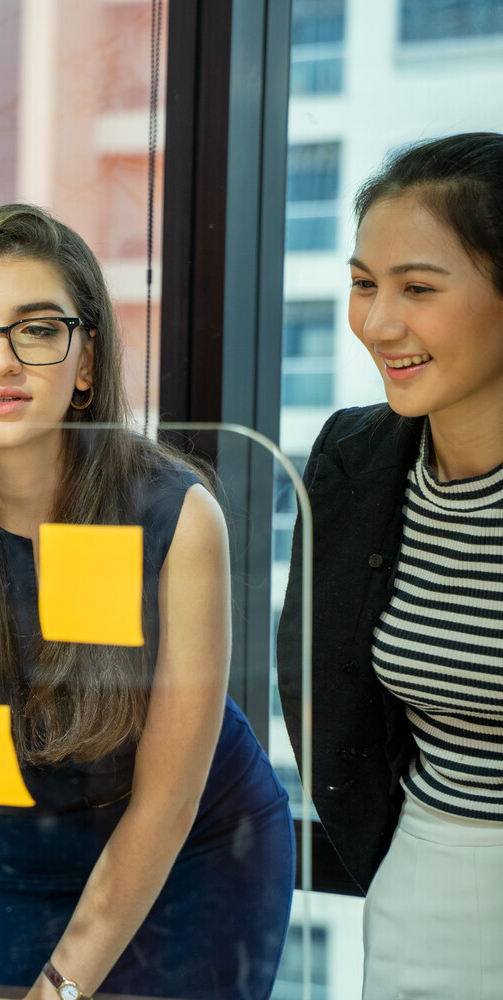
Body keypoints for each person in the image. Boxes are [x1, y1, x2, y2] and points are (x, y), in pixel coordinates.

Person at [0, 204, 294, 999]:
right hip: (2, 852)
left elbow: (167, 805)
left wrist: (60, 989)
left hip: (190, 850)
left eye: (36, 330)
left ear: (86, 360)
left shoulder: (173, 514)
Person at [276, 132, 503, 997]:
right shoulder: (353, 457)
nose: (378, 323)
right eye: (364, 285)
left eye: (418, 288)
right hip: (418, 876)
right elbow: (322, 684)